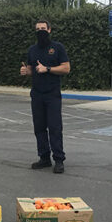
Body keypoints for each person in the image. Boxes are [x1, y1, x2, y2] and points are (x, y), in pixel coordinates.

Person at [20, 20, 70, 173]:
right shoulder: (32, 50)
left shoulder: (57, 48)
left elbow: (66, 68)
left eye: (43, 28)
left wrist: (47, 68)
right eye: (37, 29)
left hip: (52, 94)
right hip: (37, 93)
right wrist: (25, 71)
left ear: (49, 30)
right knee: (39, 127)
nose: (40, 31)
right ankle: (44, 157)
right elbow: (30, 69)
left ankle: (59, 159)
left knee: (55, 127)